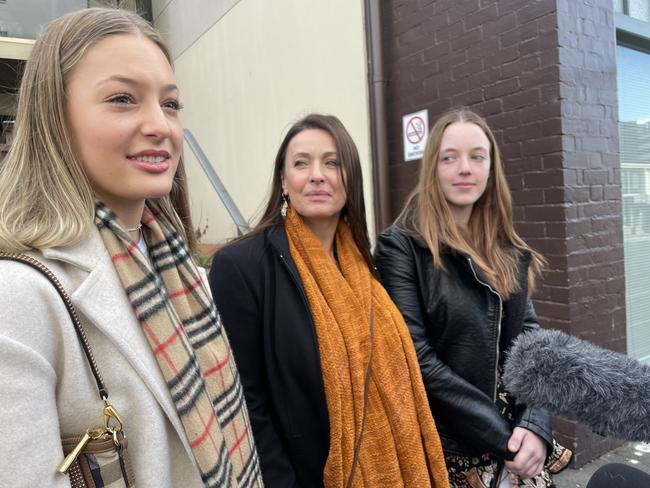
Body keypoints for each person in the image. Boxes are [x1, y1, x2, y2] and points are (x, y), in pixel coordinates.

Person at [0, 8, 261, 488]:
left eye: (171, 103)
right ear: (54, 118)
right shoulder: (17, 298)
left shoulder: (182, 270)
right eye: (123, 99)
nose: (159, 124)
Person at [209, 113, 450, 488]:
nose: (317, 174)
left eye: (332, 162)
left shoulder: (368, 267)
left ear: (350, 180)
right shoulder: (241, 267)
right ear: (284, 182)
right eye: (301, 163)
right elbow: (244, 403)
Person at [374, 108, 572, 488]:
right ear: (432, 166)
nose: (464, 168)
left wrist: (535, 425)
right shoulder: (402, 248)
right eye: (449, 157)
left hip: (515, 445)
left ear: (490, 167)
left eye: (476, 156)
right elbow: (418, 360)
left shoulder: (505, 248)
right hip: (453, 452)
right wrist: (507, 440)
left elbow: (532, 345)